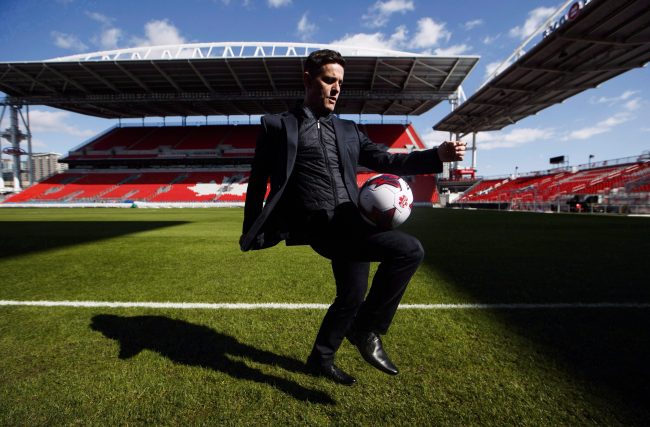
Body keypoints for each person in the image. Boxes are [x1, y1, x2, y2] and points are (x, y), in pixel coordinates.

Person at [240, 49, 465, 385]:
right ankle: (366, 328)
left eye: (340, 83)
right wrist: (251, 230)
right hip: (318, 224)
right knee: (409, 250)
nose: (336, 89)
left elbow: (387, 162)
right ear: (307, 79)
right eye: (329, 80)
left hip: (352, 220)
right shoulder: (277, 126)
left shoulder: (348, 130)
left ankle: (321, 358)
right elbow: (258, 181)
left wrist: (437, 155)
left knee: (351, 295)